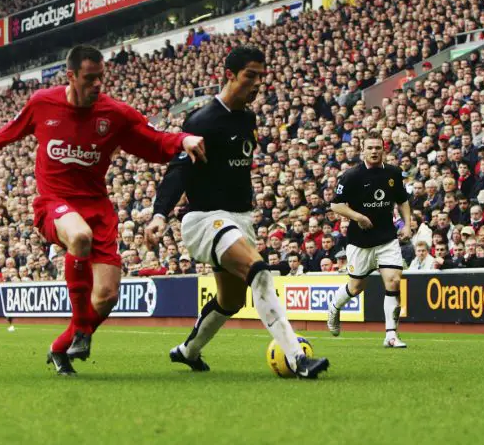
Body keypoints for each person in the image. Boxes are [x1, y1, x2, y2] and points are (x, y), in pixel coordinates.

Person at [0, 45, 206, 376]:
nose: (97, 85)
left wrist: (182, 141)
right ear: (71, 76)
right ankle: (82, 331)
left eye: (100, 78)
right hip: (54, 202)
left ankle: (59, 348)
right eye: (90, 78)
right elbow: (15, 127)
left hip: (97, 207)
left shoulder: (114, 114)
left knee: (107, 296)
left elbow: (151, 141)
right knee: (79, 236)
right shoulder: (43, 103)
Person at [145, 46, 329, 379]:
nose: (258, 83)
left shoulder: (248, 118)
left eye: (262, 76)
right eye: (251, 75)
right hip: (205, 219)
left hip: (239, 219)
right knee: (259, 270)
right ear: (230, 75)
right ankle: (297, 357)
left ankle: (188, 351)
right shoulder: (202, 121)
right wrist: (159, 214)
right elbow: (179, 171)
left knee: (230, 301)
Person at [327, 129, 412, 348]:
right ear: (362, 151)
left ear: (384, 149)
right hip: (360, 242)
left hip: (387, 239)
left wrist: (408, 225)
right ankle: (334, 308)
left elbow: (402, 200)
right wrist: (358, 217)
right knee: (356, 288)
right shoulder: (351, 176)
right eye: (370, 148)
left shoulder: (394, 173)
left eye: (377, 147)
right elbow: (335, 204)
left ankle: (391, 335)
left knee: (393, 281)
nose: (374, 151)